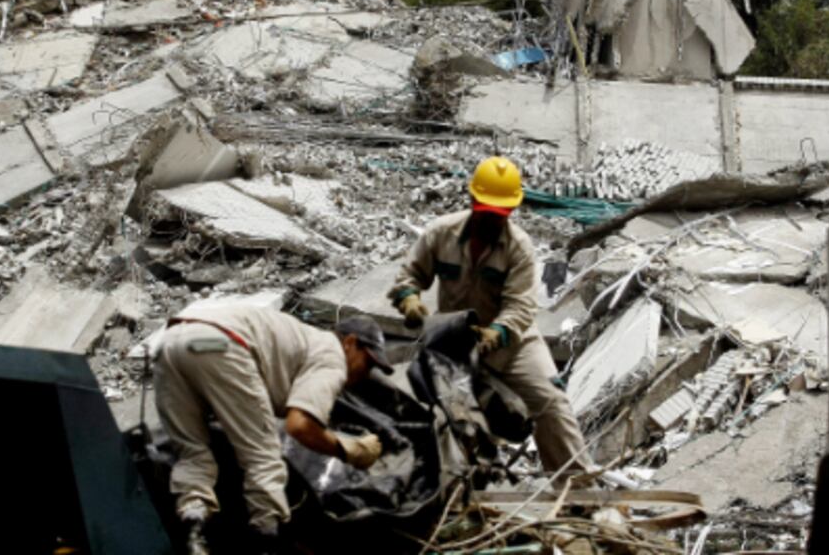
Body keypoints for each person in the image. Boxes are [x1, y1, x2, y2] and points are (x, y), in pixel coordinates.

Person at [388, 155, 593, 477]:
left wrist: (497, 331)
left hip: (513, 344)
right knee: (429, 409)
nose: (493, 219)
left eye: (501, 213)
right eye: (487, 211)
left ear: (512, 210)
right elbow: (410, 275)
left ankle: (579, 491)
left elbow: (522, 306)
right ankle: (436, 486)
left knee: (552, 404)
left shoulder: (519, 247)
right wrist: (409, 298)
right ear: (472, 199)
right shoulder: (441, 234)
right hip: (453, 339)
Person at [154, 303, 393, 553]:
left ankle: (195, 530)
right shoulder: (332, 355)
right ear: (350, 343)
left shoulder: (302, 338)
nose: (366, 374)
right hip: (218, 344)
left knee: (192, 453)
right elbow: (299, 425)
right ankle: (267, 539)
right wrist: (347, 449)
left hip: (169, 342)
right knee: (262, 455)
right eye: (368, 363)